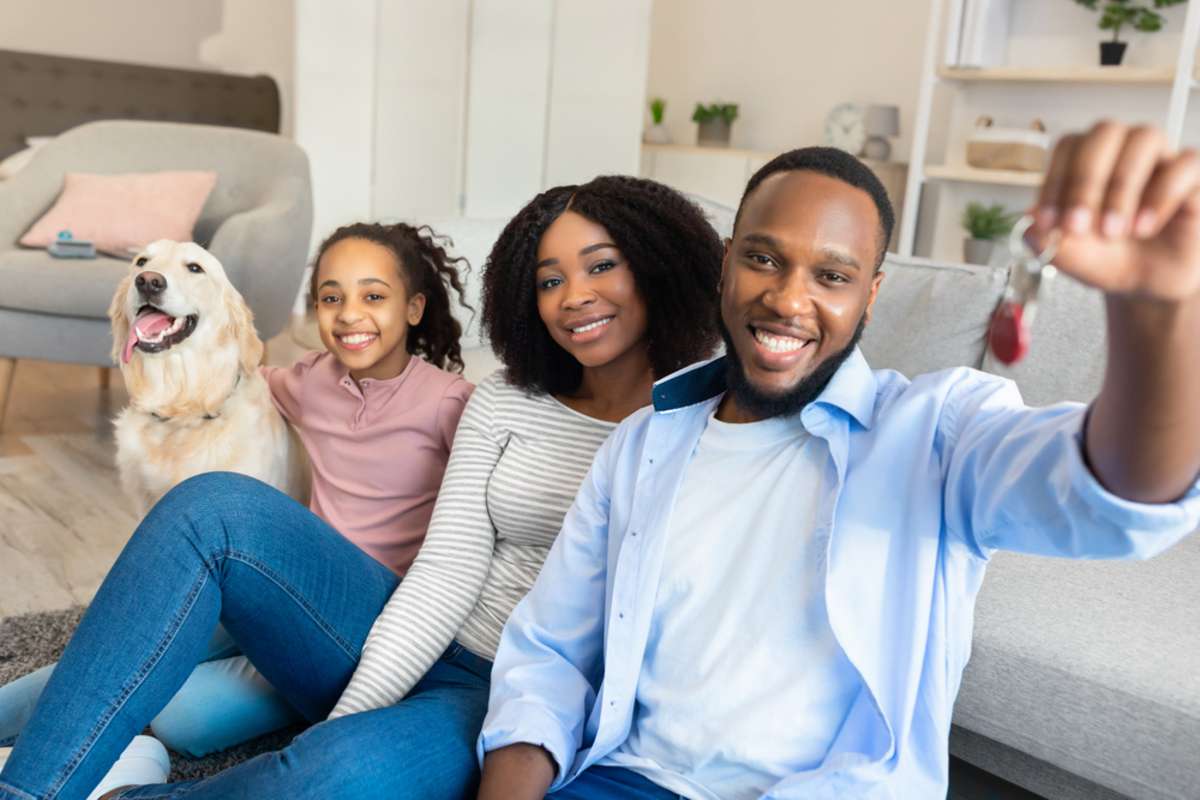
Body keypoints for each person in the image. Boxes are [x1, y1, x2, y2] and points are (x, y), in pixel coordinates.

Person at [476, 122, 1200, 799]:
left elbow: (1114, 494)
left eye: (832, 276)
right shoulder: (642, 444)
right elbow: (548, 656)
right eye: (763, 258)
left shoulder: (936, 433)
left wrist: (1159, 316)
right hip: (626, 778)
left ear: (871, 296)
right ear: (727, 264)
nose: (789, 299)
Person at [0, 175, 723, 799]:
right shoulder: (503, 400)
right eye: (550, 279)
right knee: (212, 508)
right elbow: (443, 573)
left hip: (507, 695)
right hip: (389, 626)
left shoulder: (701, 424)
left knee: (328, 778)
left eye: (602, 267)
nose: (575, 296)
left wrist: (343, 740)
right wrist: (356, 708)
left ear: (659, 267)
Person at [0, 220, 474, 798]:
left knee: (181, 716)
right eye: (331, 298)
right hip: (290, 593)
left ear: (416, 308)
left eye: (374, 297)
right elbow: (232, 373)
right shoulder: (311, 380)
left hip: (381, 613)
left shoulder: (454, 403)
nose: (350, 315)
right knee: (129, 641)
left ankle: (116, 755)